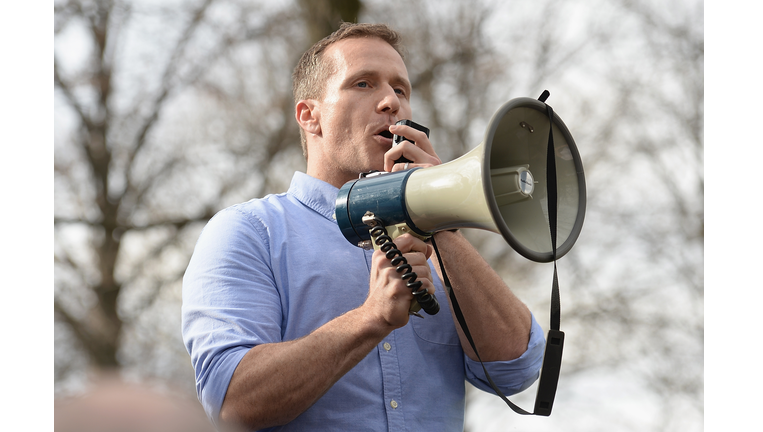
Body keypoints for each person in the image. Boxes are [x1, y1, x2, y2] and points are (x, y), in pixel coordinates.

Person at [182, 22, 546, 432]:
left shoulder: (439, 243)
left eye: (401, 89)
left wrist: (438, 214)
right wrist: (370, 319)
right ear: (310, 116)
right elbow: (232, 401)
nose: (391, 101)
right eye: (363, 84)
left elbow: (518, 366)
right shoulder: (250, 232)